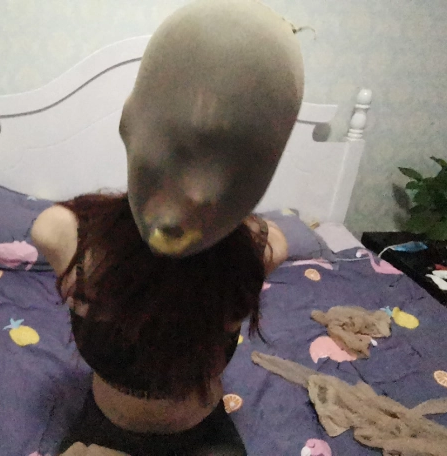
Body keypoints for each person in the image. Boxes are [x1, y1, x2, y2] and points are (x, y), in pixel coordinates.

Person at [32, 1, 304, 453]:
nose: (199, 195)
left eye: (240, 162)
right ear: (129, 123)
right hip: (104, 429)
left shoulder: (262, 250)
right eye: (180, 148)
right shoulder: (64, 235)